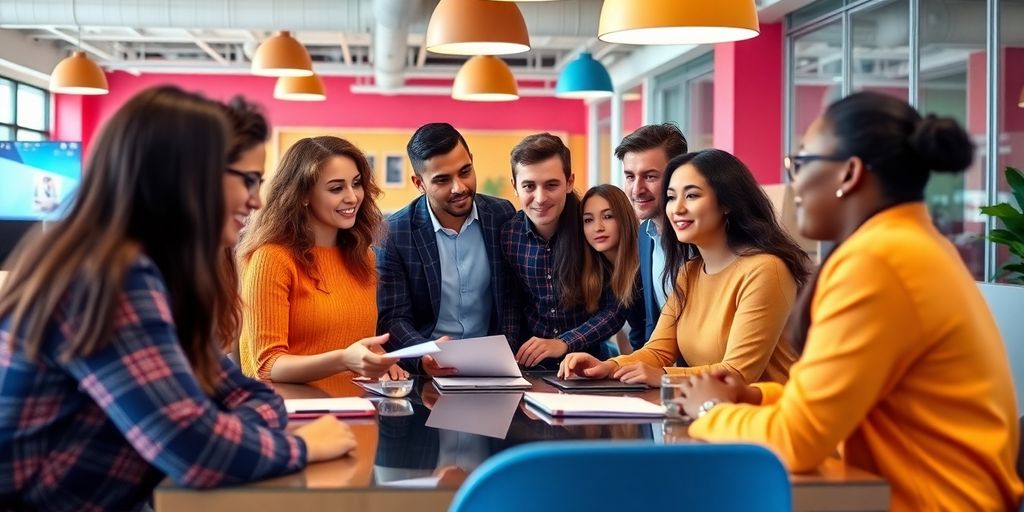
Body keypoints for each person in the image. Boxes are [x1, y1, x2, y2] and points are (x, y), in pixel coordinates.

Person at [0, 86, 354, 511]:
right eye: (247, 180)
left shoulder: (151, 273)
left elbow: (243, 394)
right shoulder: (111, 276)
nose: (257, 199)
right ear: (189, 175)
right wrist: (301, 446)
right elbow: (196, 450)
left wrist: (218, 429)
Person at [681, 92, 1023, 511]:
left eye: (801, 164)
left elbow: (798, 440)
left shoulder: (878, 262)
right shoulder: (909, 243)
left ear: (849, 174)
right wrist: (756, 398)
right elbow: (833, 403)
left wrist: (710, 410)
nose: (794, 182)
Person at [559, 149, 809, 386]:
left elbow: (739, 373)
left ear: (727, 203)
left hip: (764, 421)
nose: (676, 209)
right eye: (671, 197)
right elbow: (658, 351)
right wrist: (609, 366)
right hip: (712, 415)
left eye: (691, 195)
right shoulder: (688, 272)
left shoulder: (765, 269)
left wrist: (664, 376)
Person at [237, 136, 403, 394]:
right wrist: (342, 360)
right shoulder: (271, 258)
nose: (352, 197)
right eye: (336, 188)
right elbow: (267, 365)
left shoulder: (362, 256)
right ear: (303, 195)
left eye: (356, 184)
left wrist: (377, 359)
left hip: (357, 410)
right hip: (298, 416)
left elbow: (347, 338)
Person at [377, 123, 515, 376]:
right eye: (442, 180)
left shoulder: (502, 215)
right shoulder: (394, 233)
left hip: (497, 367)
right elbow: (393, 318)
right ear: (419, 183)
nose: (459, 187)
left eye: (465, 171)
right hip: (429, 371)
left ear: (472, 161)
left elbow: (515, 299)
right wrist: (423, 354)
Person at [502, 133, 626, 369]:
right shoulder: (509, 235)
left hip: (589, 364)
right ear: (515, 187)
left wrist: (564, 342)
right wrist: (508, 361)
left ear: (569, 182)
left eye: (551, 185)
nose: (540, 198)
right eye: (529, 186)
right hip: (530, 366)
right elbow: (511, 305)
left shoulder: (592, 227)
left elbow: (616, 309)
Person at [616, 124, 688, 349]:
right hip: (661, 374)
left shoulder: (700, 241)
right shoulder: (644, 236)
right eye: (629, 177)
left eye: (650, 176)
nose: (637, 189)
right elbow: (652, 325)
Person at [218, 96, 269, 362]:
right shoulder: (129, 276)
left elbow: (223, 382)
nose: (256, 201)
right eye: (248, 180)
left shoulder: (217, 259)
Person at [580, 185, 640, 356]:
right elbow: (626, 351)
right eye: (588, 220)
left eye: (608, 216)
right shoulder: (602, 276)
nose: (598, 227)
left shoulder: (643, 268)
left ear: (624, 218)